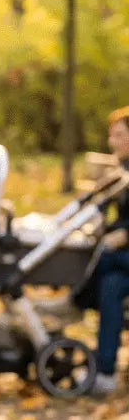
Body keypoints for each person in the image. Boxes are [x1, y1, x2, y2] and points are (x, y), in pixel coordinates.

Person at [83, 107, 129, 396]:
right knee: (111, 286)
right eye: (112, 136)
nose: (113, 142)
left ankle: (74, 300)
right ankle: (105, 371)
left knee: (106, 259)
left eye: (120, 135)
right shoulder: (121, 171)